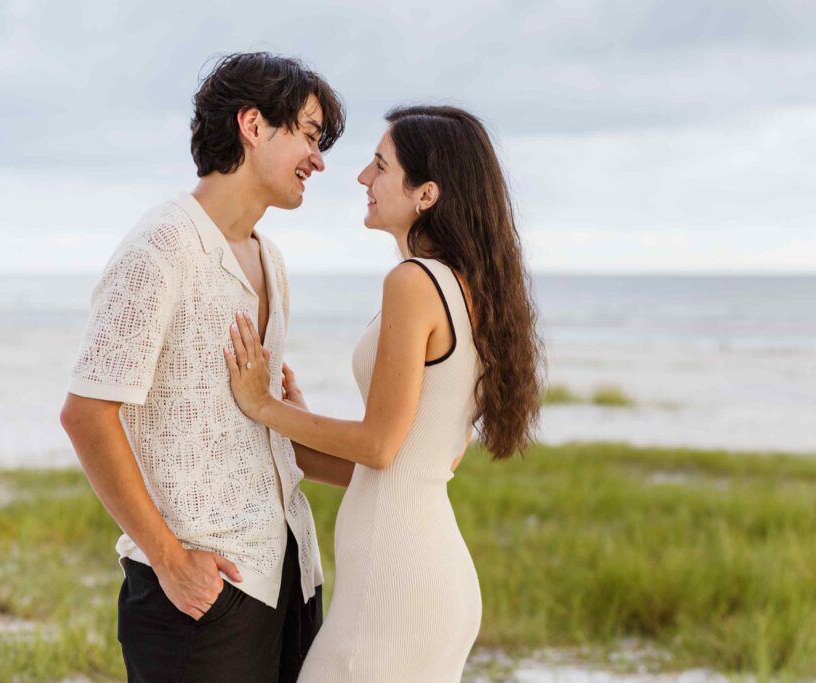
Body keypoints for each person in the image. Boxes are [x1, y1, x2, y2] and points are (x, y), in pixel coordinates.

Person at [224, 105, 543, 682]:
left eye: (379, 165)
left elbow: (378, 447)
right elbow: (408, 460)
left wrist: (263, 406)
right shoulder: (472, 290)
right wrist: (295, 425)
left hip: (394, 588)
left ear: (427, 193)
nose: (362, 179)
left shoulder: (415, 282)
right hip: (422, 578)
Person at [59, 52, 346, 682]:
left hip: (287, 577)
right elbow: (86, 414)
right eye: (307, 134)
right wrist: (168, 560)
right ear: (252, 124)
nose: (319, 159)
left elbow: (257, 432)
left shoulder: (270, 259)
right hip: (197, 591)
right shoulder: (160, 247)